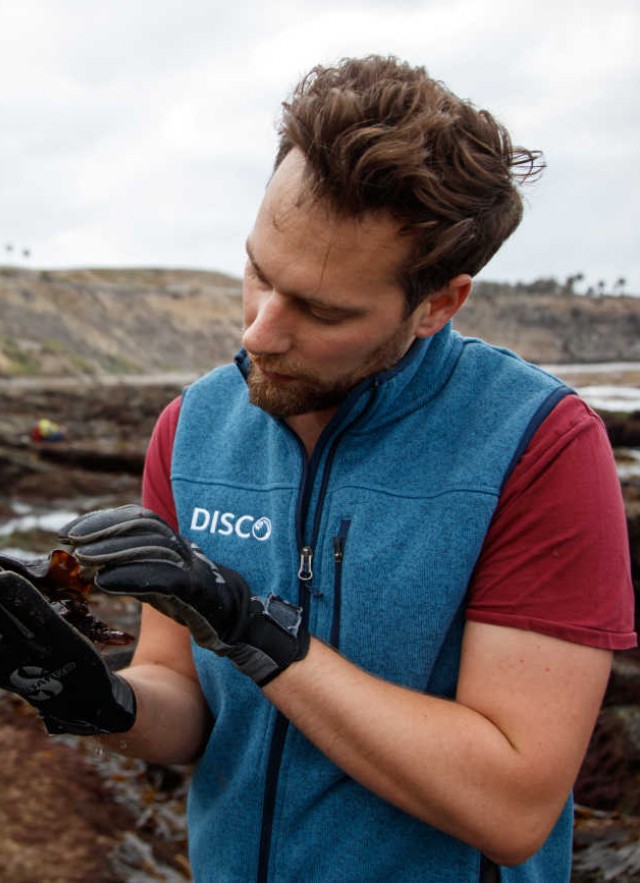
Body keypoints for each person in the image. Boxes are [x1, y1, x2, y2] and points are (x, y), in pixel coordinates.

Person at [0, 55, 635, 882]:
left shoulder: (537, 446)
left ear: (438, 303)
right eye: (260, 271)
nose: (260, 332)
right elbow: (181, 705)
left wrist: (252, 628)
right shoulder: (192, 429)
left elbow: (511, 806)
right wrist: (94, 696)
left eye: (322, 309)